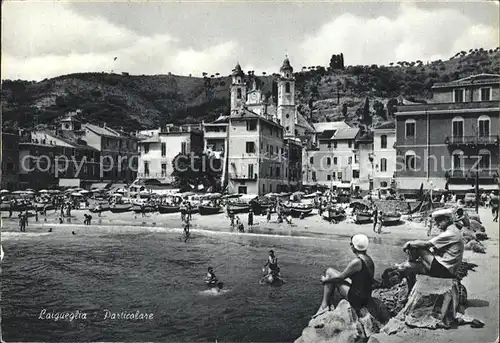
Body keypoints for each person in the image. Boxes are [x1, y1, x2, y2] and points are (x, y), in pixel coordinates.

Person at [396, 209, 464, 293]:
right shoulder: (453, 230)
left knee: (418, 247)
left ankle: (408, 263)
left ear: (446, 219)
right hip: (448, 269)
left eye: (439, 221)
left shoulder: (450, 233)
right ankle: (408, 269)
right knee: (408, 266)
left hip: (445, 270)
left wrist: (409, 243)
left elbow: (426, 244)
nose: (437, 224)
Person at [313, 234, 374, 318]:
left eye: (351, 244)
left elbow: (340, 277)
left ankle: (324, 306)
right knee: (330, 272)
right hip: (365, 296)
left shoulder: (357, 262)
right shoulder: (368, 259)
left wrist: (325, 281)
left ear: (354, 246)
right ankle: (328, 304)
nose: (350, 245)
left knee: (329, 273)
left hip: (357, 299)